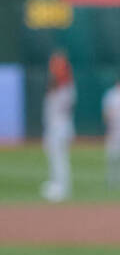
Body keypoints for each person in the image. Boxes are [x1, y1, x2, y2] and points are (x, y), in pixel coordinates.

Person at [40, 51, 75, 202]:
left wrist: (59, 74)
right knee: (55, 158)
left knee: (59, 158)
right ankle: (58, 185)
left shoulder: (65, 88)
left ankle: (62, 187)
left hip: (59, 127)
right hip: (54, 127)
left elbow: (60, 82)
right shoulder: (59, 88)